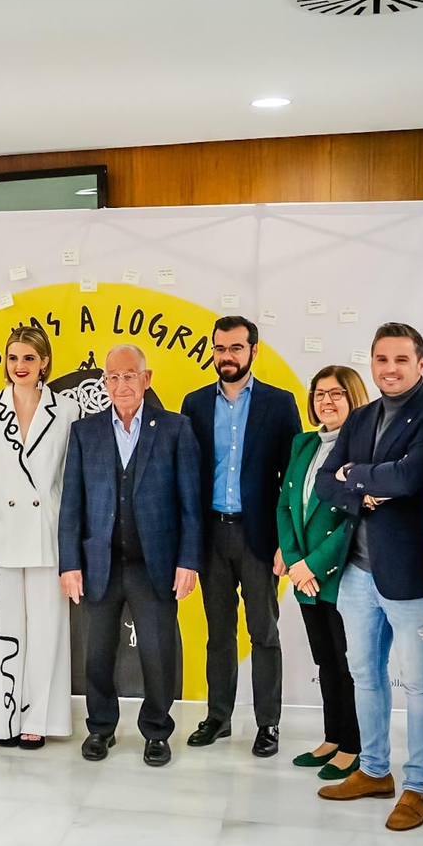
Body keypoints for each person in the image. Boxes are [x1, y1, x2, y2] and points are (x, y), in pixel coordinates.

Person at [314, 323, 423, 832]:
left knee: (420, 682)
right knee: (364, 673)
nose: (389, 369)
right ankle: (374, 770)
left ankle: (417, 786)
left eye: (400, 359)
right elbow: (329, 480)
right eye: (381, 359)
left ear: (420, 363)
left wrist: (360, 474)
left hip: (410, 575)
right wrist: (364, 488)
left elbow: (411, 477)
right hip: (357, 571)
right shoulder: (362, 415)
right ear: (371, 364)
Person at [59, 344, 202, 766]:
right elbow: (72, 504)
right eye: (113, 377)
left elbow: (190, 503)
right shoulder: (86, 432)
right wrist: (69, 563)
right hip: (99, 563)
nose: (120, 384)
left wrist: (189, 560)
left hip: (154, 564)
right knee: (98, 652)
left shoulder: (176, 429)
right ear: (104, 382)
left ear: (147, 378)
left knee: (157, 653)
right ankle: (101, 728)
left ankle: (157, 731)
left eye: (128, 375)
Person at [180, 316, 301, 757]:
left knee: (264, 633)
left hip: (259, 537)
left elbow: (291, 480)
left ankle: (268, 724)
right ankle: (218, 717)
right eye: (219, 348)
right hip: (211, 534)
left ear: (254, 350)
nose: (226, 356)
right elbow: (186, 478)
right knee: (218, 633)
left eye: (235, 348)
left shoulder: (279, 403)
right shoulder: (193, 404)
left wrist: (285, 543)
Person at [0, 325, 80, 747]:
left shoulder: (66, 410)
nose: (19, 366)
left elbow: (70, 482)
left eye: (28, 358)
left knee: (48, 630)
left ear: (44, 361)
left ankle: (39, 720)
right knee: (0, 630)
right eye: (13, 358)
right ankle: (3, 721)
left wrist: (74, 545)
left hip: (48, 536)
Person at [277, 365, 369, 780]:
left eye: (336, 394)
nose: (326, 401)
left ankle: (353, 746)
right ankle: (333, 737)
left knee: (346, 662)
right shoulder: (304, 443)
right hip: (304, 576)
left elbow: (352, 519)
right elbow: (285, 505)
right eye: (319, 394)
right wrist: (295, 562)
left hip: (339, 573)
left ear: (353, 398)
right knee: (325, 660)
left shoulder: (362, 450)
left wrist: (311, 565)